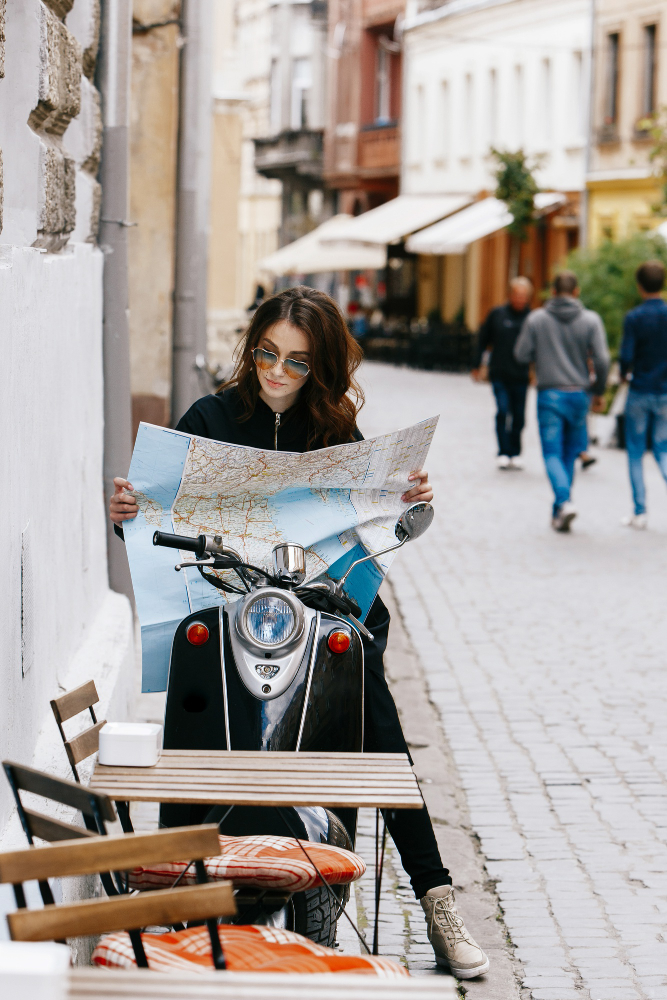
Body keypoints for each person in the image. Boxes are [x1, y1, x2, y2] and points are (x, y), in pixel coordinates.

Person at [109, 286, 490, 980]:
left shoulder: (334, 432)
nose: (277, 372)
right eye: (266, 354)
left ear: (321, 370)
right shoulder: (209, 418)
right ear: (251, 348)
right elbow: (156, 514)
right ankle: (174, 888)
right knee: (195, 700)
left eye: (296, 363)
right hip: (228, 614)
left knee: (376, 711)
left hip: (318, 614)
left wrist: (403, 498)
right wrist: (129, 509)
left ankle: (436, 898)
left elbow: (363, 525)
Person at [514, 271, 609, 532]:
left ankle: (564, 501)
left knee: (553, 452)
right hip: (579, 394)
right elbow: (602, 359)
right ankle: (561, 508)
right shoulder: (591, 320)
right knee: (569, 452)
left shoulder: (537, 319)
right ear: (576, 291)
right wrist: (598, 391)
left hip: (550, 394)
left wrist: (542, 351)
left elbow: (521, 354)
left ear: (553, 292)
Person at [619, 260, 667, 529]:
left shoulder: (635, 317)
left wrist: (624, 373)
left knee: (635, 452)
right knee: (664, 449)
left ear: (639, 287)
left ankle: (640, 512)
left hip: (640, 389)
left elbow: (627, 355)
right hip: (665, 391)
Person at [472, 277, 532, 470]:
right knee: (503, 410)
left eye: (524, 296)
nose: (520, 299)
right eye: (517, 295)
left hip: (521, 375)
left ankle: (515, 452)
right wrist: (476, 364)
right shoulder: (497, 314)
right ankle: (503, 452)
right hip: (499, 373)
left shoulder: (531, 318)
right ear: (510, 295)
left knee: (519, 416)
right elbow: (482, 339)